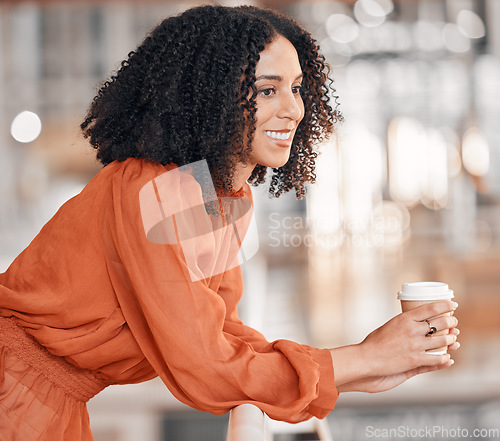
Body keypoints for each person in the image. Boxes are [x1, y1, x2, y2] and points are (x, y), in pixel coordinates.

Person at [0, 5, 459, 440]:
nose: (294, 109)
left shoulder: (224, 196)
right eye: (266, 90)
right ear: (213, 97)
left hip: (45, 402)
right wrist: (362, 358)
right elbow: (205, 366)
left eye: (298, 88)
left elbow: (225, 335)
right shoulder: (152, 190)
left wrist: (366, 369)